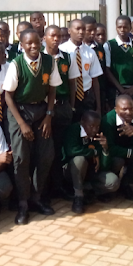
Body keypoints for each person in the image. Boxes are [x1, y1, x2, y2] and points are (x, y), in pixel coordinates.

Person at [3, 29, 61, 224]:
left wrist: (49, 117)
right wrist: (21, 124)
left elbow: (52, 90)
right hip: (20, 111)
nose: (33, 46)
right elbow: (8, 96)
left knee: (46, 156)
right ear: (22, 44)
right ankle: (22, 204)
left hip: (41, 111)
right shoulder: (16, 64)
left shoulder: (49, 61)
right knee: (21, 159)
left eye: (36, 43)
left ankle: (37, 198)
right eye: (29, 44)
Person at [43, 24, 80, 198]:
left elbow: (72, 83)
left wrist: (71, 106)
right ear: (45, 37)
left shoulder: (67, 57)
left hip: (64, 107)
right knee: (46, 149)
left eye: (58, 36)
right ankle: (46, 188)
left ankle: (59, 186)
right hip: (45, 110)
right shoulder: (40, 58)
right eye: (52, 35)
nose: (56, 39)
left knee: (61, 148)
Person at [61, 110, 119, 214]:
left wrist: (105, 149)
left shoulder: (99, 134)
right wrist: (94, 152)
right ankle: (78, 197)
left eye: (97, 126)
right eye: (91, 126)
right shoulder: (73, 130)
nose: (95, 129)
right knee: (79, 159)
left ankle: (88, 191)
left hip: (92, 173)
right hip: (73, 171)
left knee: (113, 182)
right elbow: (72, 150)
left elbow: (105, 166)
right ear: (82, 122)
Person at [100, 95, 133, 201]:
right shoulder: (108, 121)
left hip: (130, 154)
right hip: (114, 156)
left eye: (131, 109)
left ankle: (128, 184)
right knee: (118, 161)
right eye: (124, 109)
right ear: (116, 109)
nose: (129, 112)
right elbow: (109, 148)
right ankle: (108, 189)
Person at [59, 18, 103, 116]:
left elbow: (95, 79)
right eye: (77, 29)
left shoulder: (90, 52)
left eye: (83, 29)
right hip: (68, 95)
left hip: (87, 95)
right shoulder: (62, 50)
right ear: (69, 31)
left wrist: (98, 107)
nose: (81, 32)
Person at [104, 15, 133, 109]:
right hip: (115, 89)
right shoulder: (109, 45)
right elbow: (107, 70)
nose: (122, 29)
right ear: (116, 28)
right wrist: (120, 89)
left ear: (130, 28)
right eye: (119, 27)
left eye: (125, 27)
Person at [84, 16, 108, 113]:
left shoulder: (100, 48)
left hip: (99, 90)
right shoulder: (76, 50)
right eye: (89, 30)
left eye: (94, 30)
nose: (93, 33)